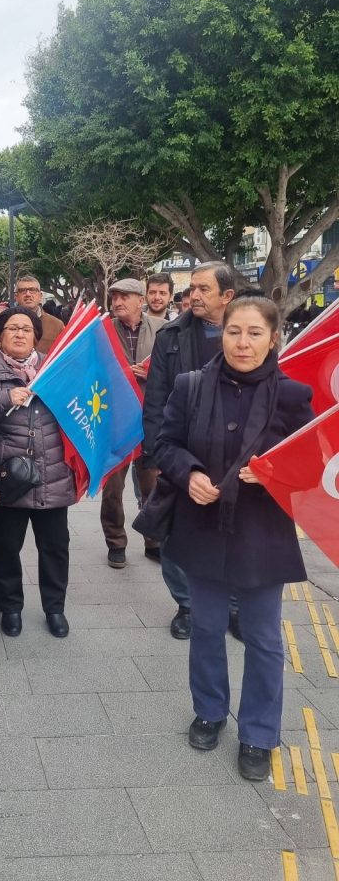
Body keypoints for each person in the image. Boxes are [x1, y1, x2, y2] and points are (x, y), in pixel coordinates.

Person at [155, 295, 313, 781]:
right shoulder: (191, 386)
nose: (242, 343)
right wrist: (189, 473)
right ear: (221, 333)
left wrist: (274, 474)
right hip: (201, 527)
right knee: (206, 627)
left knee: (263, 638)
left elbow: (310, 464)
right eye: (234, 331)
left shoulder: (292, 395)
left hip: (262, 533)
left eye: (254, 333)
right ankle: (209, 711)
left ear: (273, 338)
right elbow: (165, 444)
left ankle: (259, 733)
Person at [142, 261, 236, 640]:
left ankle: (234, 607)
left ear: (227, 296)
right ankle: (187, 605)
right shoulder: (171, 335)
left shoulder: (249, 331)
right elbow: (156, 399)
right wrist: (156, 455)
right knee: (175, 533)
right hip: (181, 452)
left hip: (236, 454)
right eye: (191, 289)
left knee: (234, 533)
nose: (193, 296)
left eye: (203, 289)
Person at [0, 307, 78, 639]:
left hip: (53, 475)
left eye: (26, 328)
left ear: (36, 336)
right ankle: (11, 607)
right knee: (6, 548)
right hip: (9, 477)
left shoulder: (55, 369)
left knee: (55, 548)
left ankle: (55, 609)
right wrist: (4, 399)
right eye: (12, 328)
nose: (20, 334)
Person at [99, 279, 163, 568]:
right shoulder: (102, 330)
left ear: (140, 300)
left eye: (124, 296)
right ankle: (116, 543)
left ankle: (154, 541)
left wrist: (152, 375)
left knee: (152, 486)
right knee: (113, 488)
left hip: (151, 420)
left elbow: (173, 370)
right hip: (115, 421)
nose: (117, 302)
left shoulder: (162, 329)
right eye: (114, 297)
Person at [13, 274, 63, 355]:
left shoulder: (57, 325)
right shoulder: (5, 323)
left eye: (32, 290)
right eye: (22, 290)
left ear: (40, 296)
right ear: (16, 297)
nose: (28, 294)